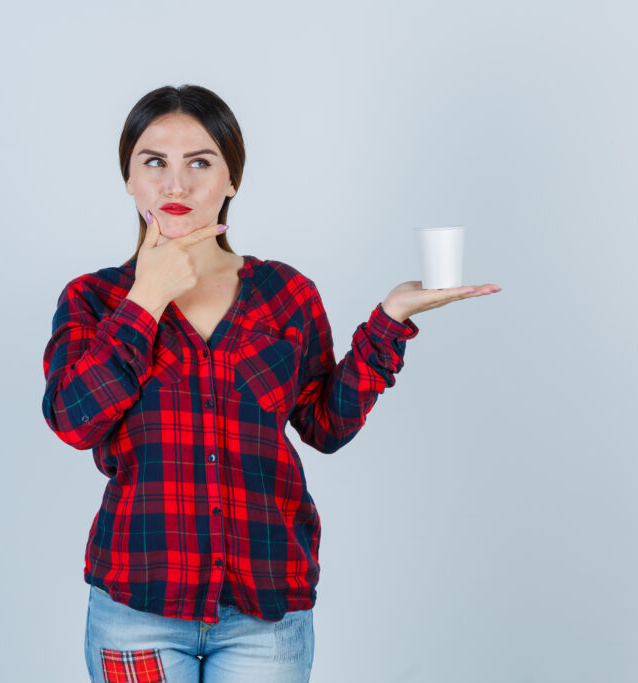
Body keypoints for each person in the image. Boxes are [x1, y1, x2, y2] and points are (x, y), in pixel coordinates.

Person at [41, 84, 500, 683]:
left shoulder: (286, 294)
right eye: (154, 163)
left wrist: (389, 322)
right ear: (128, 179)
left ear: (232, 179)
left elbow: (325, 426)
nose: (175, 186)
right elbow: (74, 421)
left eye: (199, 163)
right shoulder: (94, 299)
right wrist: (147, 297)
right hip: (138, 608)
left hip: (266, 613)